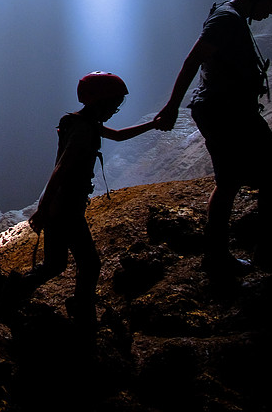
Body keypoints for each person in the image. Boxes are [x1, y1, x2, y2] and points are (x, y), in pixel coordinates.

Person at [154, 0, 272, 274]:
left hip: (224, 109)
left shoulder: (230, 17)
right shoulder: (226, 20)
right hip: (226, 111)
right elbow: (193, 60)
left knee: (231, 181)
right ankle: (263, 253)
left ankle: (218, 255)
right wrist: (171, 106)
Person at [13, 72, 162, 321]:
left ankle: (12, 298)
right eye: (113, 103)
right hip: (66, 209)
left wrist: (153, 124)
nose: (115, 109)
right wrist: (43, 208)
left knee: (55, 264)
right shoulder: (84, 128)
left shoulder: (83, 123)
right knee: (89, 264)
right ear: (99, 101)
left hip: (60, 207)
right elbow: (62, 168)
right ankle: (82, 311)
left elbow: (118, 135)